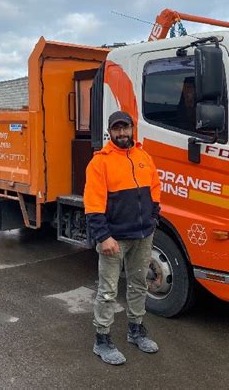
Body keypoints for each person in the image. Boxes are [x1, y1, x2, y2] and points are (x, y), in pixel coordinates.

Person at [84, 110, 161, 365]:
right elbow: (93, 205)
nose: (122, 133)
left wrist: (153, 218)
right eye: (116, 129)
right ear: (110, 132)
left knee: (139, 284)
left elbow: (154, 189)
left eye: (125, 128)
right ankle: (102, 340)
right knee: (107, 291)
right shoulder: (100, 163)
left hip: (142, 235)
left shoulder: (143, 157)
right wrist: (103, 237)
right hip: (115, 239)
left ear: (132, 129)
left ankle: (135, 330)